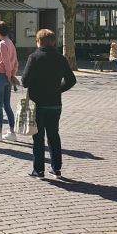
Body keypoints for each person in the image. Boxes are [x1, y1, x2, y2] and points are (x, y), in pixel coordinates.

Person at [21, 29, 77, 178]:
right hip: (55, 103)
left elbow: (24, 82)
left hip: (38, 103)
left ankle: (39, 170)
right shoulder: (61, 58)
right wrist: (58, 90)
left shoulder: (34, 57)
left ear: (39, 41)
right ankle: (56, 168)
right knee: (54, 136)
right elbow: (72, 80)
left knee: (38, 137)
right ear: (53, 42)